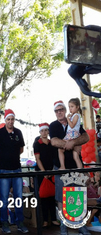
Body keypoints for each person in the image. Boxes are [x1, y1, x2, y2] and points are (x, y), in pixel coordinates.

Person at [49, 100, 91, 235]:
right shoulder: (54, 125)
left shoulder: (74, 119)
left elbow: (86, 137)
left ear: (65, 110)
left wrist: (72, 142)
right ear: (55, 112)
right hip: (62, 168)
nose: (59, 112)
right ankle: (63, 225)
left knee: (77, 194)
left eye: (61, 109)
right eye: (57, 110)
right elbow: (54, 141)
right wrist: (69, 145)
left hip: (75, 166)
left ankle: (80, 224)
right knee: (61, 197)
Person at [0, 109, 29, 234]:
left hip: (17, 168)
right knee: (4, 198)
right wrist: (2, 159)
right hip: (4, 170)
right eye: (8, 119)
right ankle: (4, 223)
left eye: (12, 119)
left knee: (18, 197)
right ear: (5, 120)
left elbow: (21, 149)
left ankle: (20, 222)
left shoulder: (18, 132)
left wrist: (13, 156)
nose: (10, 121)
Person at [32, 123, 60, 227]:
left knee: (52, 196)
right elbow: (37, 159)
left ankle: (53, 218)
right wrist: (44, 172)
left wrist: (51, 170)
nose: (44, 132)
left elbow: (54, 158)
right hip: (41, 173)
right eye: (42, 131)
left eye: (46, 130)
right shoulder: (37, 144)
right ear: (39, 132)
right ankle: (44, 220)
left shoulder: (51, 143)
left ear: (48, 132)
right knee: (43, 196)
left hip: (51, 172)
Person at [58, 98, 83, 169]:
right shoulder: (74, 115)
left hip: (72, 134)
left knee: (60, 149)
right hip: (72, 134)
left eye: (72, 107)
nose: (70, 108)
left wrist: (68, 119)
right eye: (69, 107)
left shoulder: (76, 115)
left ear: (77, 107)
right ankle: (80, 170)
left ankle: (62, 166)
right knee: (75, 156)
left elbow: (72, 125)